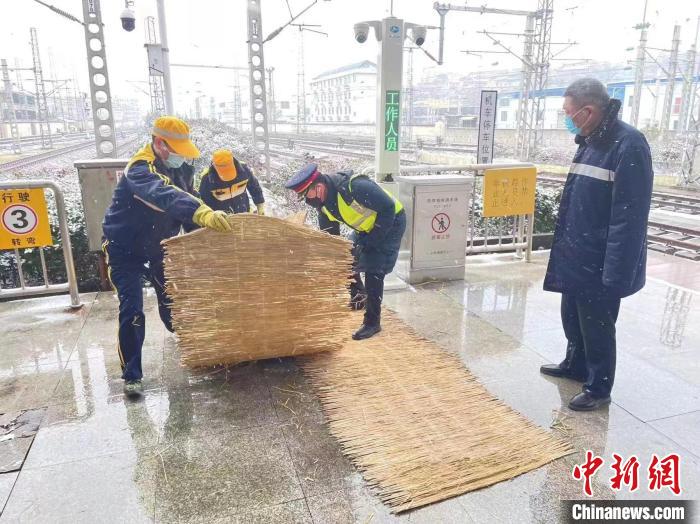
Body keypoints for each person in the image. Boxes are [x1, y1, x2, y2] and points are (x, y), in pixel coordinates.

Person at [540, 78, 653, 411]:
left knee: (598, 325)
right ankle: (575, 364)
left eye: (568, 112)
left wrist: (616, 273)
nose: (566, 118)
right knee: (572, 315)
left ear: (588, 111)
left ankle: (599, 386)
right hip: (577, 252)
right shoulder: (591, 138)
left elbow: (629, 217)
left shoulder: (628, 144)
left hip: (601, 259)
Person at [102, 116, 233, 397]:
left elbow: (188, 198)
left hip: (160, 245)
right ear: (159, 143)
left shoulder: (182, 167)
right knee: (133, 309)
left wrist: (204, 232)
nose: (180, 157)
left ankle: (191, 345)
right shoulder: (140, 169)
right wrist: (201, 212)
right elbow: (165, 195)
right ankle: (132, 376)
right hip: (124, 249)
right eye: (175, 150)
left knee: (171, 302)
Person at [285, 163, 406, 340]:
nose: (306, 200)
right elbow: (334, 243)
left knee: (374, 269)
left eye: (305, 195)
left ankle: (372, 322)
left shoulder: (355, 187)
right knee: (346, 258)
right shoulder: (324, 207)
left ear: (318, 187)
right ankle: (359, 296)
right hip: (365, 229)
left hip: (391, 222)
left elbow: (387, 207)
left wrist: (371, 241)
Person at [198, 149, 266, 215]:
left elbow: (254, 187)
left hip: (244, 213)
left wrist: (260, 204)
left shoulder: (243, 170)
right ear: (215, 166)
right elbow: (204, 202)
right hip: (222, 220)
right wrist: (212, 216)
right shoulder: (208, 179)